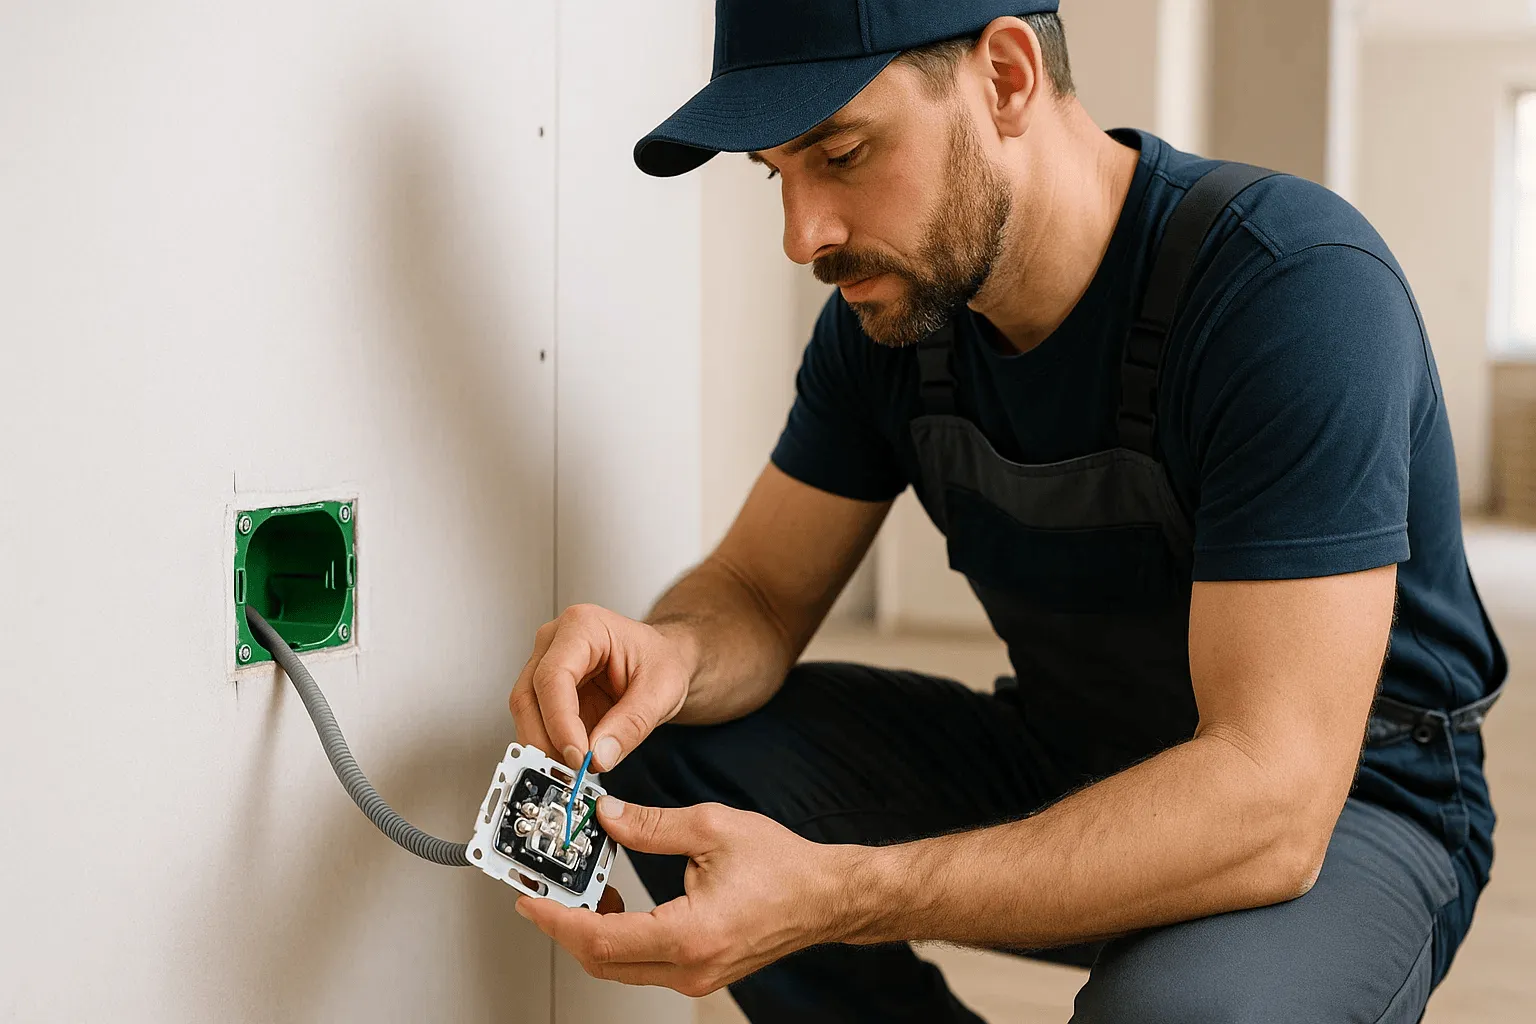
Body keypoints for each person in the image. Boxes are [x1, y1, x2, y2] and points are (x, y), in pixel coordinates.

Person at [508, 2, 1506, 1020]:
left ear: (1008, 77)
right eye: (777, 175)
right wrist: (669, 654)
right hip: (1074, 753)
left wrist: (842, 892)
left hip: (1346, 805)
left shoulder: (1289, 291)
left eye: (842, 154)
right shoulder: (891, 321)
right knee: (675, 749)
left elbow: (1272, 802)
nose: (804, 237)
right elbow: (760, 592)